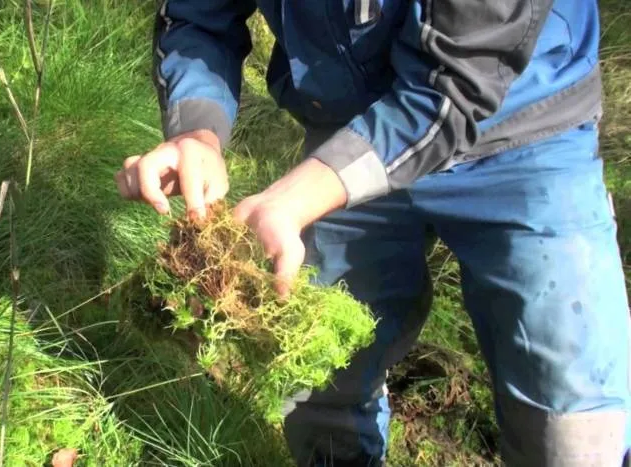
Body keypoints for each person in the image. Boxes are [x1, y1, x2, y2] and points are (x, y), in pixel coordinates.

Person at [114, 1, 630, 465]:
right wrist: (196, 131)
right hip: (346, 129)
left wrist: (295, 197)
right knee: (316, 372)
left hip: (524, 135)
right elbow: (196, 16)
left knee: (575, 431)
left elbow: (455, 84)